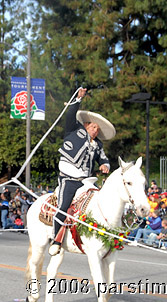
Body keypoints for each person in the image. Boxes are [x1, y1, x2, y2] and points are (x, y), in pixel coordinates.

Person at [49, 88, 115, 256]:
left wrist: (105, 165)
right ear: (86, 125)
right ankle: (55, 239)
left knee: (97, 205)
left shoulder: (98, 145)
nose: (95, 131)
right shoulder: (73, 130)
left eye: (98, 130)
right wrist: (78, 99)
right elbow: (70, 114)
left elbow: (104, 159)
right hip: (68, 179)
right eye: (93, 127)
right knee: (63, 206)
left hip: (86, 181)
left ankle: (96, 236)